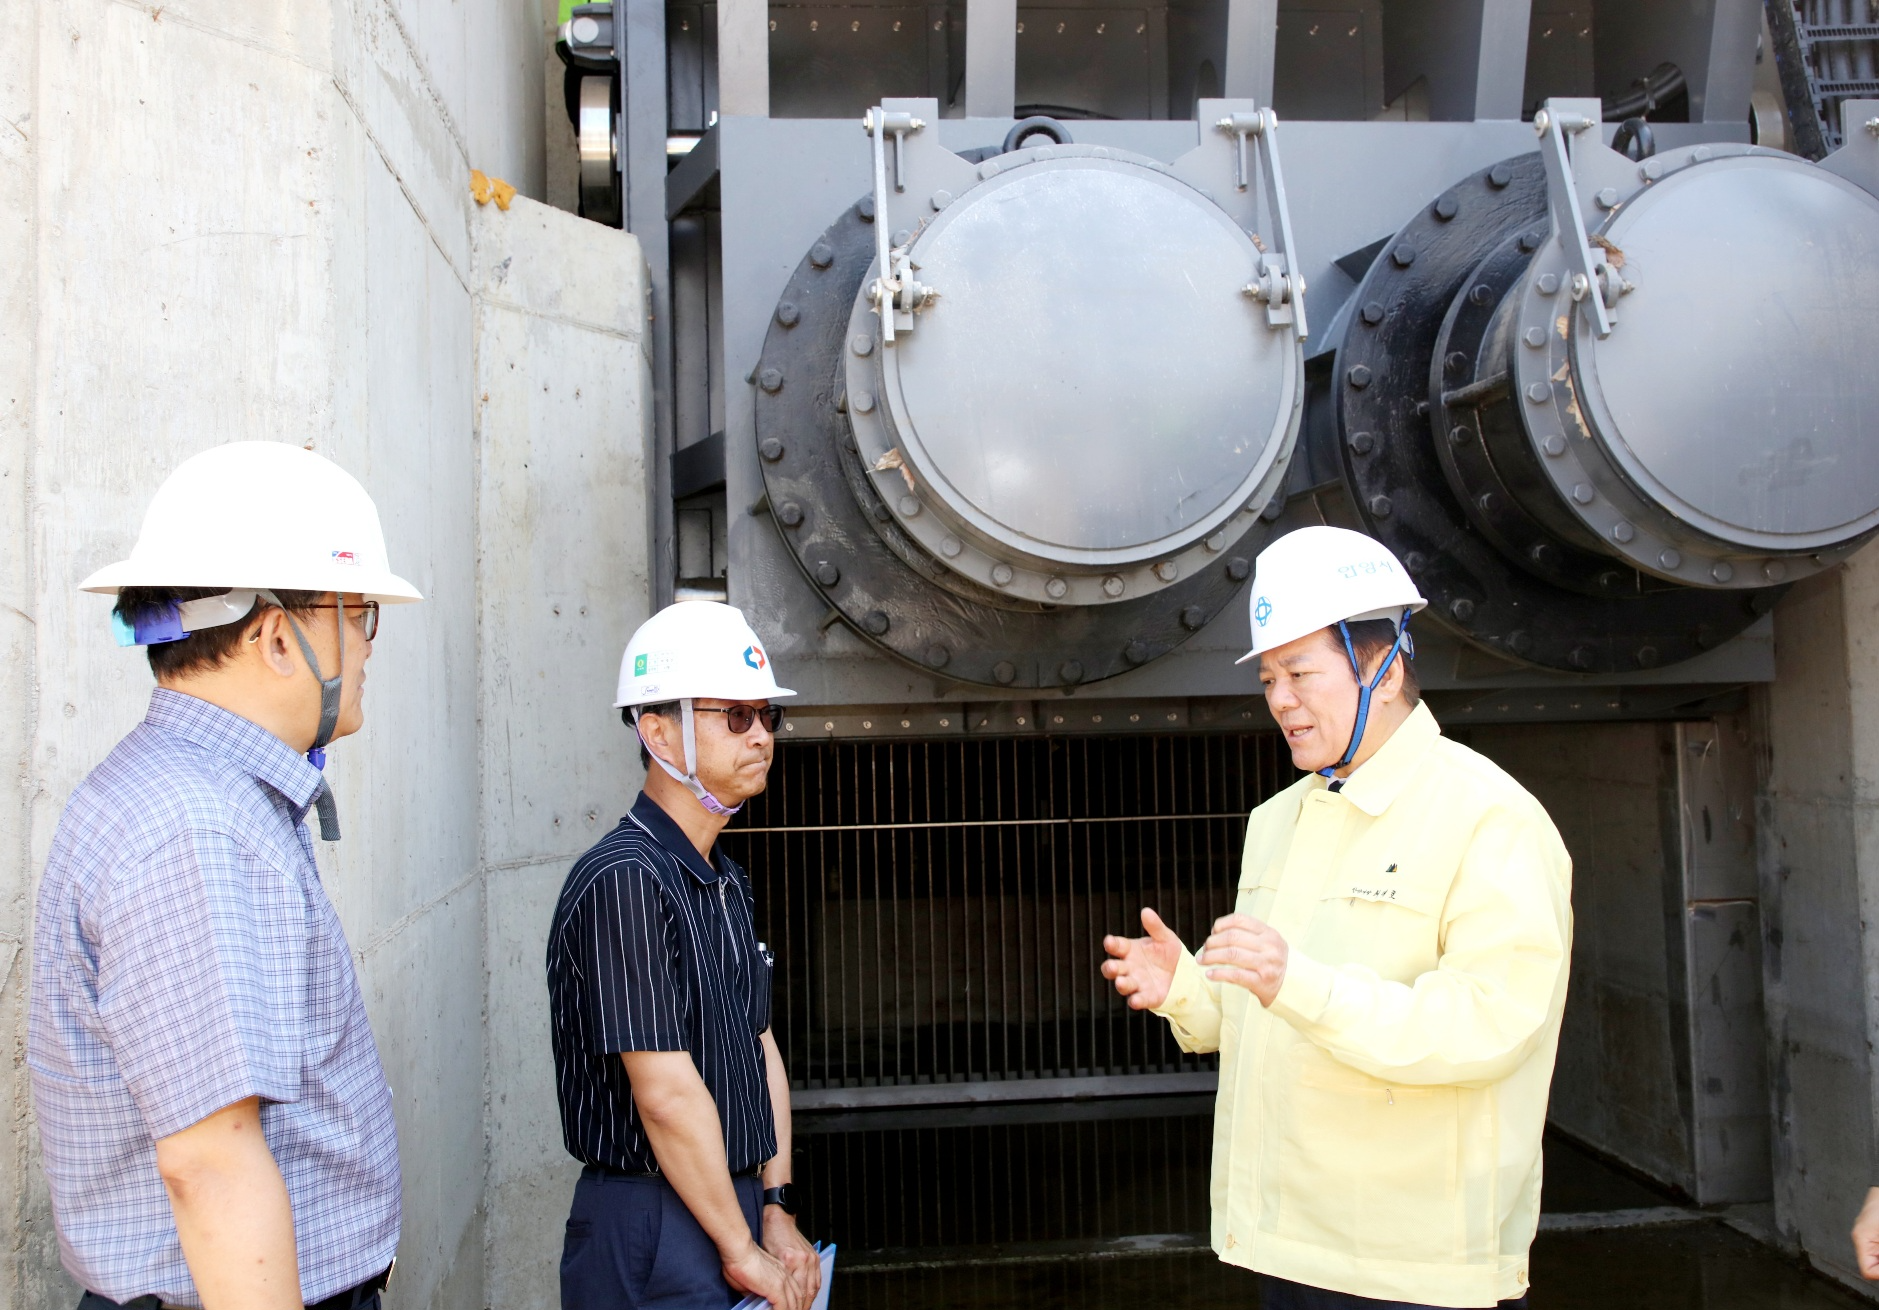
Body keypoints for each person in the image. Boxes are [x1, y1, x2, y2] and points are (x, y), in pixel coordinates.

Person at [1102, 525, 1573, 1310]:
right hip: (1285, 1248)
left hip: (1412, 1269)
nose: (1279, 699)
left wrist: (1297, 982)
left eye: (1299, 672)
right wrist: (1186, 989)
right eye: (1267, 677)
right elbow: (1267, 1015)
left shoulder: (1489, 816)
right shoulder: (1277, 819)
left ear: (1384, 670)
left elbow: (1491, 1026)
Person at [28, 442, 422, 1310]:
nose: (367, 647)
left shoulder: (195, 793)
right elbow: (210, 1165)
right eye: (359, 615)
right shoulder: (196, 828)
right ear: (278, 637)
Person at [547, 601, 822, 1310]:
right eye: (735, 715)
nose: (760, 735)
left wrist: (775, 1207)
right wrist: (740, 1249)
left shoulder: (726, 879)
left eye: (767, 716)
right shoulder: (625, 880)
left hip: (729, 1205)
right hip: (654, 1219)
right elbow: (665, 1095)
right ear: (657, 731)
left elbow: (759, 1045)